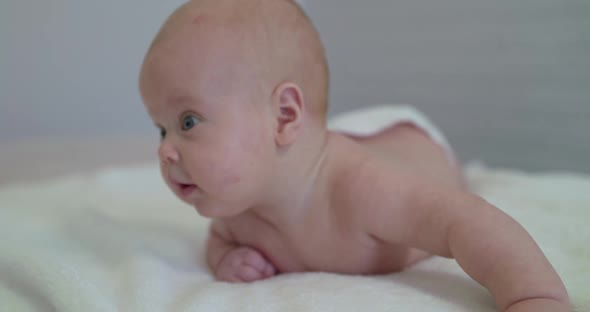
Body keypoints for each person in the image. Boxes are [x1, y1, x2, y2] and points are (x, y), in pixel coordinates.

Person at [139, 0, 570, 311]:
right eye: (161, 127)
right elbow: (219, 240)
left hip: (411, 141)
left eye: (188, 121)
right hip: (328, 136)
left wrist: (532, 294)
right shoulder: (237, 213)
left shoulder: (362, 190)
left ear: (284, 115)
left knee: (385, 159)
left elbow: (467, 222)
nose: (164, 149)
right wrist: (226, 258)